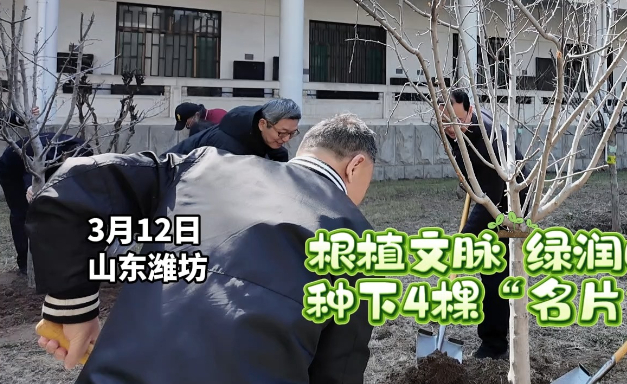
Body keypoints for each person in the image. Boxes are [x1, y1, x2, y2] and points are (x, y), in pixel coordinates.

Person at [26, 113, 379, 383]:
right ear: (356, 165)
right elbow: (338, 370)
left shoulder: (202, 164)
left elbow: (76, 181)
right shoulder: (355, 239)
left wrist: (72, 305)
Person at [438, 89, 527, 360]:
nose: (447, 127)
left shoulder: (485, 135)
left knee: (495, 269)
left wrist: (464, 239)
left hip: (513, 202)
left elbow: (489, 197)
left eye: (452, 120)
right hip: (492, 193)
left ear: (467, 109)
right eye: (442, 121)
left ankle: (495, 345)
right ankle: (499, 337)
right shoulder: (458, 126)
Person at [0, 121, 93, 275]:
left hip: (45, 169)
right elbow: (30, 169)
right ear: (64, 157)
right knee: (22, 213)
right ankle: (25, 264)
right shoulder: (48, 151)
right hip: (13, 169)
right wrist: (30, 187)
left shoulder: (85, 151)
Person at [163, 98, 301, 162]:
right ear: (262, 124)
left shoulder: (270, 139)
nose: (286, 139)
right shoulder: (228, 148)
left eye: (292, 133)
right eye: (282, 133)